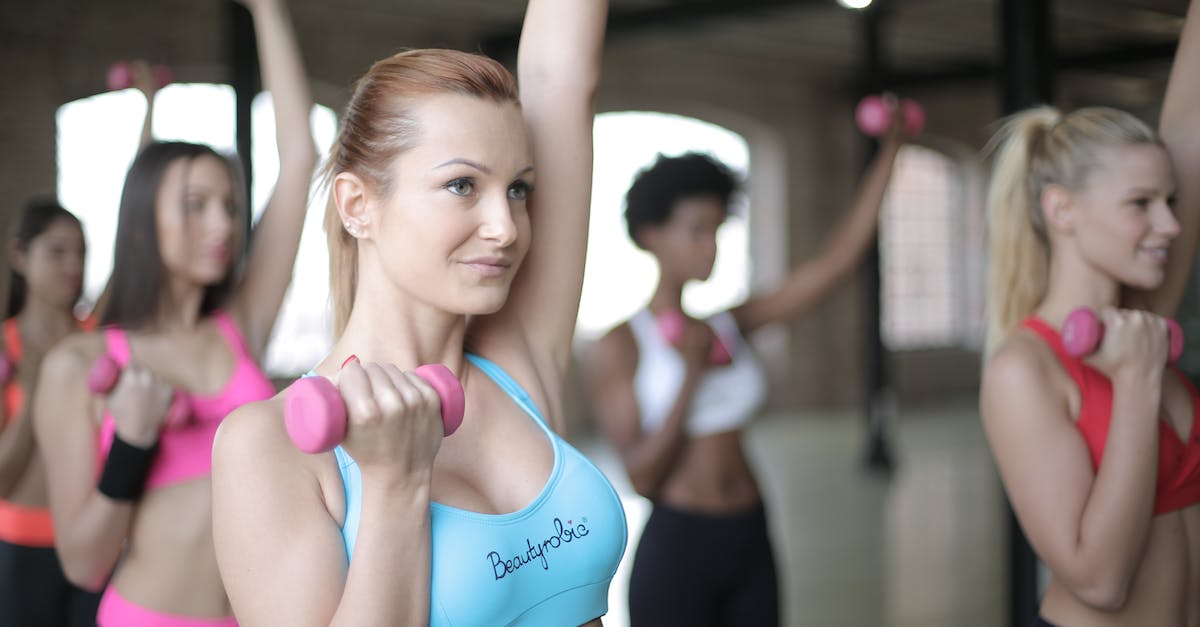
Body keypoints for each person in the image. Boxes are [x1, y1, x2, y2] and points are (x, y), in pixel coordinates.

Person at [211, 1, 621, 625]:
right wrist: (396, 481)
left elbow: (559, 74)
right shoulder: (271, 448)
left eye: (519, 188)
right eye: (462, 185)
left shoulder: (519, 359)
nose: (506, 228)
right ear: (357, 205)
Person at [32, 0, 316, 623]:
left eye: (227, 204)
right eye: (195, 204)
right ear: (142, 221)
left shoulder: (240, 326)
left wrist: (267, 10)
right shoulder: (76, 365)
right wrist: (131, 445)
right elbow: (83, 562)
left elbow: (300, 156)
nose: (222, 222)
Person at [584, 116, 907, 625]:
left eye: (716, 230)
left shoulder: (728, 324)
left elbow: (836, 263)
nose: (709, 245)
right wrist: (691, 374)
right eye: (695, 230)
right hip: (679, 545)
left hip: (750, 533)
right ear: (651, 235)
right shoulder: (620, 344)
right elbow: (642, 475)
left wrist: (891, 149)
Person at [979, 3, 1200, 624]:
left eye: (1171, 200)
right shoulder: (1024, 369)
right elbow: (1100, 581)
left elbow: (1191, 121)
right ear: (1063, 210)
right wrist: (1135, 382)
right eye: (1142, 203)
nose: (1172, 225)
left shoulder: (1142, 318)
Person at [0, 198, 97, 626]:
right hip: (21, 547)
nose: (73, 264)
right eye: (57, 251)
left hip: (94, 541)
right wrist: (37, 389)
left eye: (80, 252)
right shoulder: (5, 347)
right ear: (19, 255)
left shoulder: (97, 340)